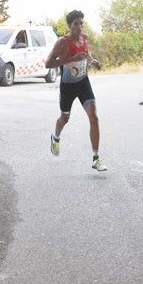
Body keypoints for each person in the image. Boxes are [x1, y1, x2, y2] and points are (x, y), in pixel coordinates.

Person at [45, 10, 107, 172]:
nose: (79, 27)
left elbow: (86, 53)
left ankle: (96, 158)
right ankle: (55, 137)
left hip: (83, 82)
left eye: (81, 23)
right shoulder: (62, 42)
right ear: (69, 25)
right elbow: (48, 64)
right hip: (68, 86)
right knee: (65, 118)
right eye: (76, 24)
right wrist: (71, 59)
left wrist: (93, 61)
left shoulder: (84, 38)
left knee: (94, 117)